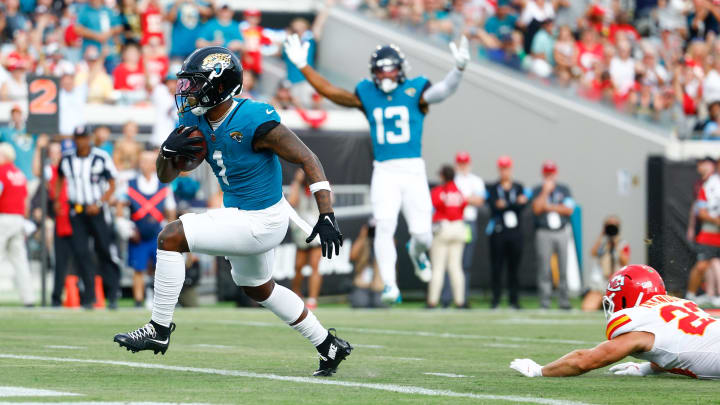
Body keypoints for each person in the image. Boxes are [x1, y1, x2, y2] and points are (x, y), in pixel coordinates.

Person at [113, 47, 351, 377]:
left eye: (195, 83)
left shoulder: (253, 118)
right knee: (258, 287)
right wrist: (167, 153)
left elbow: (308, 158)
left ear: (219, 85)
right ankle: (328, 344)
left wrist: (327, 213)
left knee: (171, 236)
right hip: (240, 216)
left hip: (263, 219)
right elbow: (167, 176)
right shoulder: (193, 120)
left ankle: (159, 328)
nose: (187, 91)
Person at [284, 33, 470, 303]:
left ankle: (417, 253)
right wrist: (303, 66)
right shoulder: (367, 93)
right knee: (384, 226)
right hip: (384, 170)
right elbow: (331, 91)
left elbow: (443, 91)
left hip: (413, 169)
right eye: (380, 72)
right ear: (373, 73)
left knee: (423, 236)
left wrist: (459, 69)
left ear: (401, 70)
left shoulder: (415, 90)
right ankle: (390, 285)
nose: (385, 77)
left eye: (390, 71)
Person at [510, 264, 720, 379]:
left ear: (629, 297)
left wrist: (540, 370)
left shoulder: (640, 329)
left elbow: (585, 360)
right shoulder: (678, 304)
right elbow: (683, 344)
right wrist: (647, 368)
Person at [57, 126, 121, 309]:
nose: (81, 141)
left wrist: (99, 203)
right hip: (76, 211)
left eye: (84, 137)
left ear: (90, 138)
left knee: (104, 251)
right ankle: (89, 297)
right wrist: (58, 199)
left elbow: (112, 184)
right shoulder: (67, 158)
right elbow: (60, 177)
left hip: (97, 211)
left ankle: (113, 294)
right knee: (81, 253)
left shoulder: (100, 157)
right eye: (78, 138)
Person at [118, 150, 177, 308]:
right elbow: (119, 206)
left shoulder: (164, 185)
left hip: (157, 232)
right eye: (143, 161)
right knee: (139, 268)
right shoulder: (130, 184)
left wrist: (170, 231)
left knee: (161, 268)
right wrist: (127, 228)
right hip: (138, 232)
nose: (146, 165)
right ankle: (138, 300)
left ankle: (163, 300)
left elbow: (170, 209)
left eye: (150, 161)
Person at [443, 151, 485, 307]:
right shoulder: (451, 180)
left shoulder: (476, 180)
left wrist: (461, 199)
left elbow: (479, 200)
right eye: (460, 163)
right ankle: (446, 298)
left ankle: (462, 298)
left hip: (467, 223)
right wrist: (466, 198)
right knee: (450, 262)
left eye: (464, 163)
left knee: (465, 263)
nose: (462, 166)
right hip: (453, 222)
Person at [486, 156, 528, 309]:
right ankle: (496, 299)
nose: (505, 171)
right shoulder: (493, 187)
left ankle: (514, 300)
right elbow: (494, 206)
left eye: (507, 168)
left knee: (514, 267)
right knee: (497, 266)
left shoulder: (518, 187)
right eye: (502, 168)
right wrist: (514, 203)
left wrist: (508, 205)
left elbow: (522, 206)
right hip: (499, 231)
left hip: (515, 232)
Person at [531, 160, 575, 310]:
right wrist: (545, 192)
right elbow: (536, 209)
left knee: (563, 267)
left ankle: (564, 300)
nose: (549, 176)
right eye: (547, 173)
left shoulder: (564, 189)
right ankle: (545, 301)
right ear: (543, 174)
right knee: (544, 268)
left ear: (555, 173)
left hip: (561, 231)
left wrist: (548, 206)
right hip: (544, 231)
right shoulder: (538, 189)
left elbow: (569, 209)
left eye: (551, 173)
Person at [427, 165, 466, 308]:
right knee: (456, 267)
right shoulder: (458, 191)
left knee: (438, 267)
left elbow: (432, 206)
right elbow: (463, 207)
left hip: (443, 228)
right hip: (458, 227)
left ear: (443, 176)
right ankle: (460, 301)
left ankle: (432, 301)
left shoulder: (439, 191)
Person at [0, 143, 33, 306]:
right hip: (18, 219)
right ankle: (28, 298)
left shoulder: (2, 172)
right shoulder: (19, 173)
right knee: (20, 261)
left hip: (4, 218)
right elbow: (26, 200)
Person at [686, 157, 720, 304]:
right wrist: (716, 220)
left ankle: (712, 295)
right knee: (702, 265)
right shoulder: (710, 185)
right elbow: (701, 211)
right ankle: (690, 295)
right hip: (711, 231)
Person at [288, 169, 323, 310]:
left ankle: (312, 299)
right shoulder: (298, 187)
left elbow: (328, 201)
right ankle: (296, 295)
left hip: (317, 230)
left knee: (315, 265)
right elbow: (292, 201)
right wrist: (297, 181)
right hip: (301, 232)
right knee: (299, 266)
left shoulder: (320, 184)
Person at [582, 216, 630, 311]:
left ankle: (608, 304)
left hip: (617, 285)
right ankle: (602, 303)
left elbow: (625, 262)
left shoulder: (622, 244)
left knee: (625, 309)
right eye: (608, 226)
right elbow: (593, 253)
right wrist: (602, 235)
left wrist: (616, 245)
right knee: (587, 308)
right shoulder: (601, 243)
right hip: (600, 284)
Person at [349, 222, 384, 308]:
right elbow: (352, 255)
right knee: (359, 303)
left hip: (379, 285)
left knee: (381, 303)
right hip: (362, 284)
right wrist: (362, 236)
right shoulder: (363, 243)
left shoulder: (384, 242)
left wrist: (383, 234)